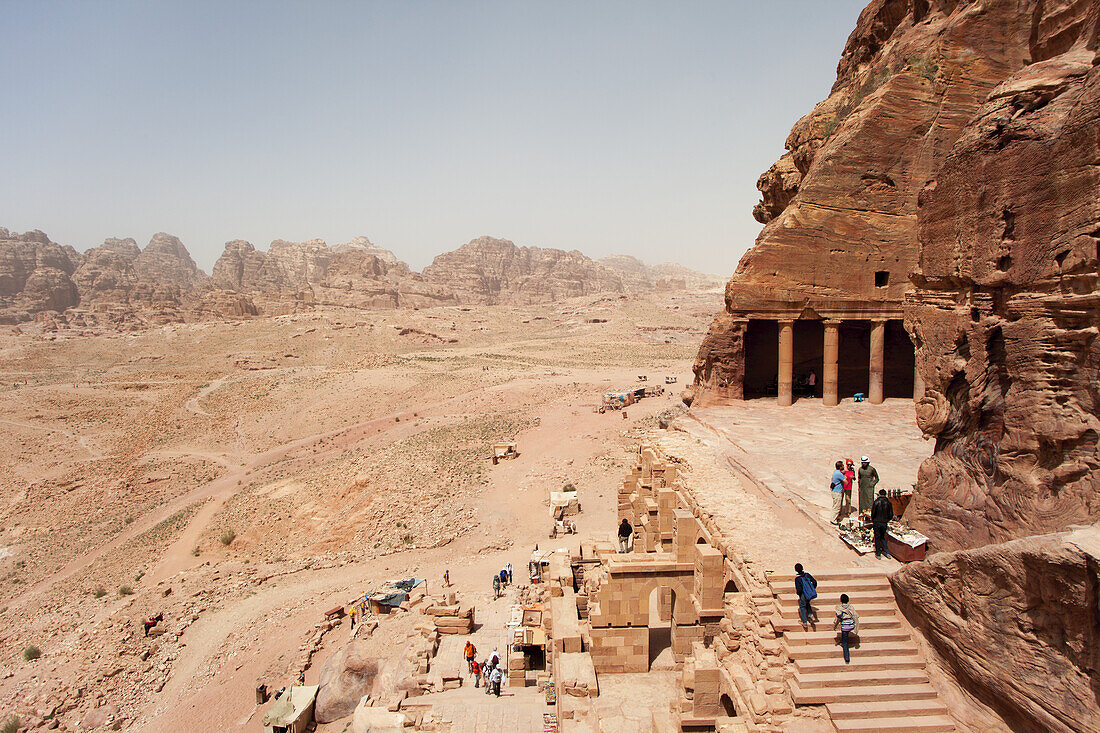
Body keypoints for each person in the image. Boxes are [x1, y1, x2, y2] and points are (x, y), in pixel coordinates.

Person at [833, 593, 860, 664]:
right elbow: (855, 616)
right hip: (851, 625)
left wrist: (835, 626)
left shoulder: (838, 608)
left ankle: (847, 658)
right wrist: (856, 629)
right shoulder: (851, 607)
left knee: (845, 642)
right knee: (846, 633)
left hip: (845, 626)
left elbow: (838, 618)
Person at [793, 563, 818, 629]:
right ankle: (811, 615)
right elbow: (814, 582)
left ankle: (804, 622)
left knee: (802, 606)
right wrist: (812, 589)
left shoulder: (798, 579)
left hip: (803, 594)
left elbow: (799, 589)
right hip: (810, 593)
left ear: (796, 570)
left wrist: (800, 595)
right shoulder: (807, 575)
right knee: (807, 603)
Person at [871, 489, 894, 559]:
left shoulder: (876, 502)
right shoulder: (889, 503)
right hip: (884, 523)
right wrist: (887, 520)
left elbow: (873, 513)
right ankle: (886, 552)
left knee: (877, 537)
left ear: (879, 494)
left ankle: (878, 553)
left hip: (877, 522)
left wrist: (873, 520)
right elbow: (891, 514)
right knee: (882, 537)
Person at [830, 461, 845, 525]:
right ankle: (833, 520)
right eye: (843, 465)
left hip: (834, 491)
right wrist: (845, 475)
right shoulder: (839, 474)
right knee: (837, 507)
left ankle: (834, 517)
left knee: (835, 505)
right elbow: (846, 481)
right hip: (837, 492)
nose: (844, 466)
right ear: (840, 466)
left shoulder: (835, 472)